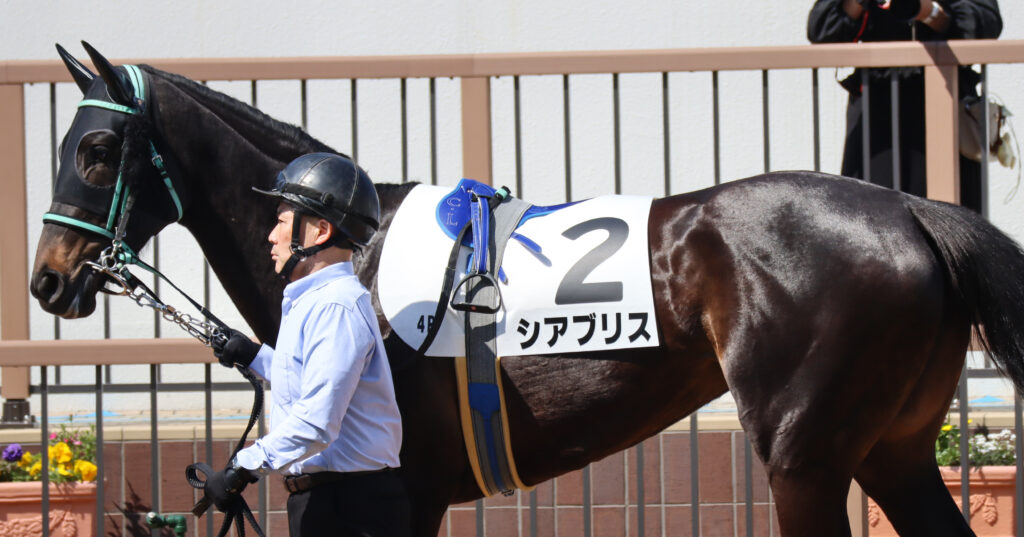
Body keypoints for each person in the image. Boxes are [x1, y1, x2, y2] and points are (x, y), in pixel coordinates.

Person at [204, 152, 409, 537]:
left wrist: (242, 467)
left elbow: (317, 422)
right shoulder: (316, 300)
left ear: (319, 231)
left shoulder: (335, 307)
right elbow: (311, 382)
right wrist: (255, 357)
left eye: (281, 221)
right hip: (331, 502)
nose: (271, 235)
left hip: (352, 510)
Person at [807, 0, 1002, 212]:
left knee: (952, 222)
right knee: (871, 217)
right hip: (877, 112)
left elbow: (982, 26)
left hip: (946, 104)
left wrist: (926, 11)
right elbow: (823, 30)